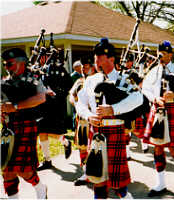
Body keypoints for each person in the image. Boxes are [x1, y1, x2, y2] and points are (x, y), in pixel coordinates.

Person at [76, 38, 144, 199]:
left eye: (100, 56)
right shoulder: (90, 81)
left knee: (119, 184)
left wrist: (113, 109)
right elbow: (80, 104)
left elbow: (138, 99)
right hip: (96, 131)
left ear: (111, 59)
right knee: (98, 180)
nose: (96, 60)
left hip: (115, 130)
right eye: (95, 56)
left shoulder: (123, 80)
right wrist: (88, 115)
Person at [142, 41, 174, 197]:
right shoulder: (153, 71)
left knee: (173, 149)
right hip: (157, 109)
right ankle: (161, 183)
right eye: (159, 53)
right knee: (157, 147)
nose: (160, 56)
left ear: (170, 55)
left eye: (163, 53)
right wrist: (154, 98)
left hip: (173, 109)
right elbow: (145, 88)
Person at [1, 48, 47, 198]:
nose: (6, 68)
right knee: (7, 169)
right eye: (5, 64)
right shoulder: (4, 81)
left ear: (21, 63)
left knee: (24, 170)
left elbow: (41, 98)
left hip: (27, 125)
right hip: (9, 127)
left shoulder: (33, 78)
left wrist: (14, 107)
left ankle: (40, 188)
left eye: (9, 64)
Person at [37, 49, 74, 171]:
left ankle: (66, 142)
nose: (41, 58)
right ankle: (47, 160)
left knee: (52, 132)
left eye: (43, 56)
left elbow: (69, 83)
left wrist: (58, 95)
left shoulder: (57, 69)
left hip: (54, 106)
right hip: (41, 105)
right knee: (42, 131)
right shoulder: (38, 70)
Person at [69, 55, 96, 186]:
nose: (84, 69)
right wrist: (78, 105)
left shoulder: (99, 80)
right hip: (83, 121)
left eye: (87, 67)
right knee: (83, 147)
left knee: (97, 147)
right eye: (83, 67)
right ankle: (86, 173)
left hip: (97, 120)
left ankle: (100, 172)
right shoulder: (80, 81)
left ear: (94, 66)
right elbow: (71, 97)